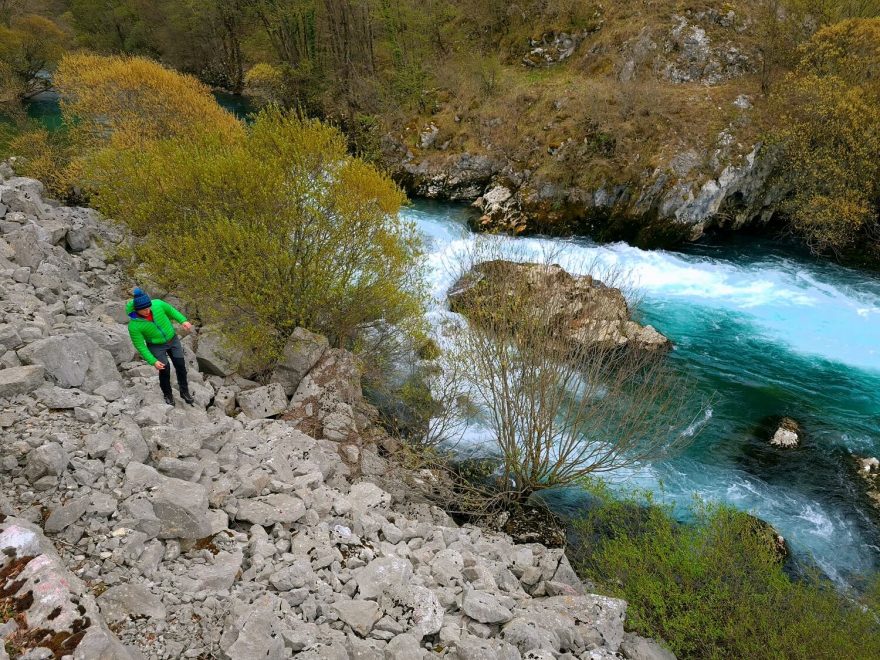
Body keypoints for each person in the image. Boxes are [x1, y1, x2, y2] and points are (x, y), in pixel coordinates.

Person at [126, 287, 195, 405]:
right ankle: (168, 395)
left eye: (148, 307)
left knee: (181, 366)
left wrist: (183, 321)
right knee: (164, 370)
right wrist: (153, 361)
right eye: (143, 310)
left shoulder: (158, 304)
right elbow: (140, 346)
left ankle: (184, 392)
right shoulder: (134, 326)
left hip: (173, 340)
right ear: (137, 310)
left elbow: (172, 311)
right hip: (156, 346)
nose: (147, 311)